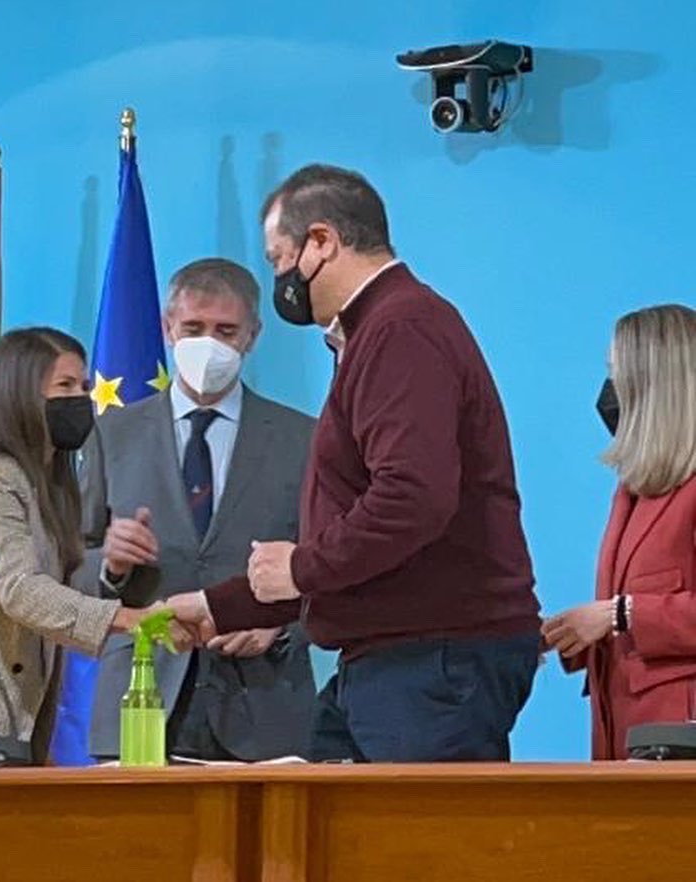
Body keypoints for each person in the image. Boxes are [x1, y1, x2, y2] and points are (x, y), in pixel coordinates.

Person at [170, 164, 541, 762]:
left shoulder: (401, 329)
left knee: (412, 828)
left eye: (279, 258)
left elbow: (411, 498)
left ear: (321, 241)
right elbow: (357, 538)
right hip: (398, 655)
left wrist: (301, 567)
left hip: (431, 658)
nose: (281, 279)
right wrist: (217, 606)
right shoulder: (381, 329)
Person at [0, 328, 182, 769]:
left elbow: (56, 587)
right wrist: (127, 619)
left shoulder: (46, 483)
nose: (81, 399)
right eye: (65, 386)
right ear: (21, 392)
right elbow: (21, 591)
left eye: (84, 386)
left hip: (14, 719)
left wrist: (117, 571)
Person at [74, 258, 316, 761]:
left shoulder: (304, 439)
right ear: (168, 329)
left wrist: (282, 627)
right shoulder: (112, 434)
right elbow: (70, 565)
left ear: (253, 335)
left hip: (265, 705)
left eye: (226, 331)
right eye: (193, 328)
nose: (209, 344)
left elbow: (332, 565)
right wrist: (111, 566)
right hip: (138, 701)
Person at [543, 305, 696, 760]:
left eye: (616, 373)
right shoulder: (636, 491)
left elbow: (624, 612)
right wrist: (570, 633)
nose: (609, 392)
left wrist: (618, 615)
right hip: (628, 743)